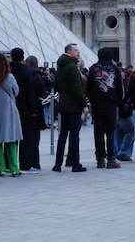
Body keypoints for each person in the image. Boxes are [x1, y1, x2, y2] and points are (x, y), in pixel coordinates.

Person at [86, 47, 123, 169]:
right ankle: (111, 158)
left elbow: (88, 87)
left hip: (96, 102)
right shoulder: (115, 69)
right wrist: (117, 99)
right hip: (111, 102)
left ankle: (100, 159)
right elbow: (119, 87)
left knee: (98, 130)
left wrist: (92, 99)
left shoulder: (93, 68)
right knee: (110, 131)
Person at [53, 43, 88, 172]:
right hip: (74, 105)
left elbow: (56, 85)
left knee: (62, 135)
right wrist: (84, 104)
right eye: (75, 50)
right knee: (74, 135)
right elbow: (76, 88)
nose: (78, 53)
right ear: (69, 52)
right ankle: (75, 164)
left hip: (63, 103)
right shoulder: (72, 67)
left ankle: (57, 164)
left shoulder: (60, 66)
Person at [10, 48, 44, 173]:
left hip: (11, 107)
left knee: (11, 137)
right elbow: (30, 92)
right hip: (26, 109)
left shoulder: (7, 70)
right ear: (22, 57)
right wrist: (34, 109)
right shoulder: (27, 72)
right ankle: (25, 163)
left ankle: (9, 163)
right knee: (27, 137)